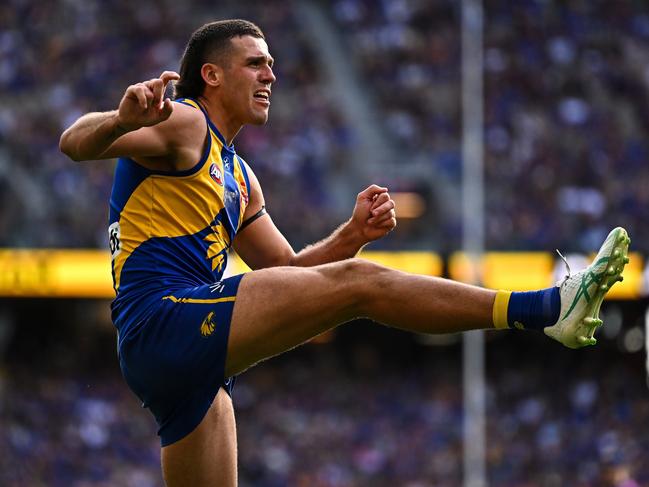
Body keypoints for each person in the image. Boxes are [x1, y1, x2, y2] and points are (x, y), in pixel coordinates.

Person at [59, 19, 630, 487]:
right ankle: (548, 308)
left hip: (181, 352)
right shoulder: (183, 122)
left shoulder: (240, 177)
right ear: (211, 75)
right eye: (255, 63)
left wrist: (350, 234)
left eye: (272, 63)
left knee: (348, 276)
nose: (270, 74)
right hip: (166, 319)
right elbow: (74, 142)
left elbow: (284, 275)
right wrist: (119, 120)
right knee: (361, 285)